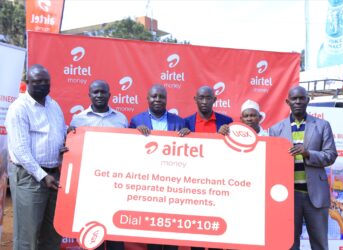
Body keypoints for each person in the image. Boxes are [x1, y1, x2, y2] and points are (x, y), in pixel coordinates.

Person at [5, 64, 67, 250]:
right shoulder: (19, 108)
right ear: (27, 83)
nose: (43, 85)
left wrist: (68, 137)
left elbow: (60, 131)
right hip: (30, 177)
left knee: (52, 234)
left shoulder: (53, 105)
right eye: (38, 82)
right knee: (27, 236)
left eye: (46, 82)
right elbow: (20, 149)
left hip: (53, 177)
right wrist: (42, 175)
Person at [269, 86, 338, 250]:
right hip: (288, 197)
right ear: (288, 102)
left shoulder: (322, 125)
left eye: (301, 98)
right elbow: (271, 163)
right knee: (289, 244)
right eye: (294, 99)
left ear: (308, 100)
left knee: (320, 243)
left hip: (315, 195)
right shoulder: (276, 129)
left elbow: (331, 155)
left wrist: (308, 153)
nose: (298, 101)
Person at [70, 79, 128, 250]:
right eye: (96, 92)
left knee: (115, 231)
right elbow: (73, 151)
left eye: (103, 92)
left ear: (110, 95)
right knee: (91, 232)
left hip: (115, 184)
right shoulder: (78, 120)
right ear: (89, 95)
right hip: (89, 185)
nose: (100, 95)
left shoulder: (121, 119)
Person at [129, 84, 188, 250]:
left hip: (174, 184)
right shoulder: (136, 121)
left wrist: (188, 134)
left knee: (172, 233)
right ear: (147, 98)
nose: (158, 100)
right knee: (153, 230)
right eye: (154, 96)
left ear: (166, 99)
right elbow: (128, 152)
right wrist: (135, 133)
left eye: (161, 96)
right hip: (149, 184)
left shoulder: (179, 121)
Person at [184, 86, 232, 250]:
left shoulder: (227, 122)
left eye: (208, 98)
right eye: (201, 98)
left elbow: (234, 154)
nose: (204, 102)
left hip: (218, 186)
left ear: (214, 100)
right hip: (194, 187)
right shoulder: (186, 123)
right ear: (195, 99)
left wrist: (229, 135)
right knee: (196, 234)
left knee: (216, 233)